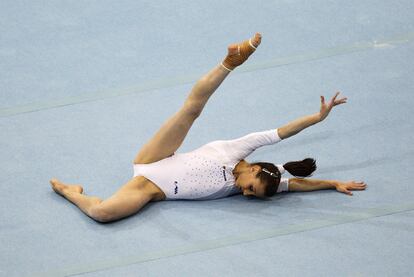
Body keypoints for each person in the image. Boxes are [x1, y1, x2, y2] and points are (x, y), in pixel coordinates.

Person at [50, 33, 367, 223]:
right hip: (156, 158)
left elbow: (297, 184)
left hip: (152, 189)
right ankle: (229, 62)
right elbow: (282, 132)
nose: (244, 194)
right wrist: (317, 118)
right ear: (254, 169)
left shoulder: (267, 181)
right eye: (250, 188)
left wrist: (334, 183)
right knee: (191, 110)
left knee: (102, 214)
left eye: (251, 196)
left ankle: (72, 192)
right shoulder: (239, 150)